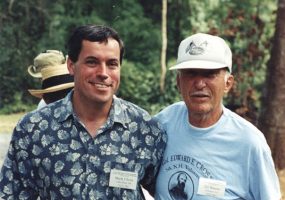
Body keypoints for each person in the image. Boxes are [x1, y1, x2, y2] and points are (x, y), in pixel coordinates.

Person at [0, 25, 166, 199]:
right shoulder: (33, 130)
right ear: (71, 66)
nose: (103, 73)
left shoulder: (145, 130)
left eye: (112, 64)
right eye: (92, 62)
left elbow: (168, 192)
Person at [154, 33, 281, 200]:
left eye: (209, 74)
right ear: (179, 82)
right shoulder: (163, 123)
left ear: (228, 83)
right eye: (191, 74)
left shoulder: (249, 143)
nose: (199, 84)